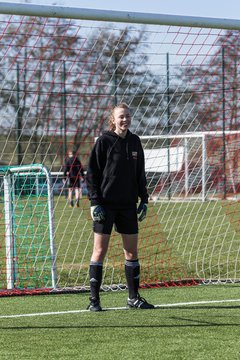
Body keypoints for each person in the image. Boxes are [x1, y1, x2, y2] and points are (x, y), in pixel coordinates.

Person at [86, 103, 154, 311]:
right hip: (105, 206)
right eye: (121, 117)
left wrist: (144, 199)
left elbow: (139, 173)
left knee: (131, 252)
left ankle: (133, 298)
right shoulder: (104, 142)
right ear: (113, 120)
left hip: (127, 206)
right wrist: (95, 202)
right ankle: (94, 301)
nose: (125, 120)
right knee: (99, 251)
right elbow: (92, 174)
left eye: (127, 116)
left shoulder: (135, 142)